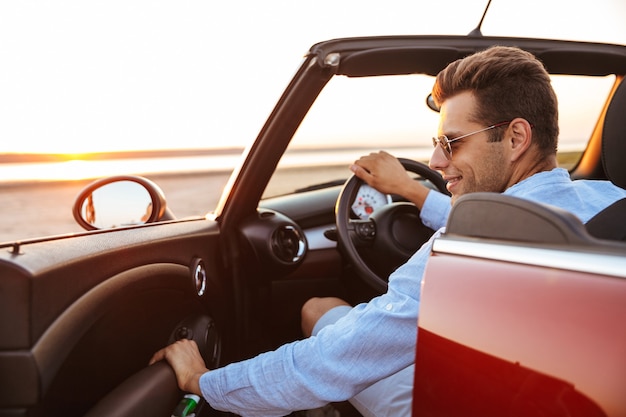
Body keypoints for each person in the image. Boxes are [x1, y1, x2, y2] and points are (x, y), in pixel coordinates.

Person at [150, 46, 626, 417]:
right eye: (436, 144)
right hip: (548, 392)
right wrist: (415, 195)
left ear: (517, 137)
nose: (438, 163)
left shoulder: (469, 254)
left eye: (452, 143)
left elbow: (336, 360)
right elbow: (518, 214)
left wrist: (203, 382)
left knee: (324, 313)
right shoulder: (608, 203)